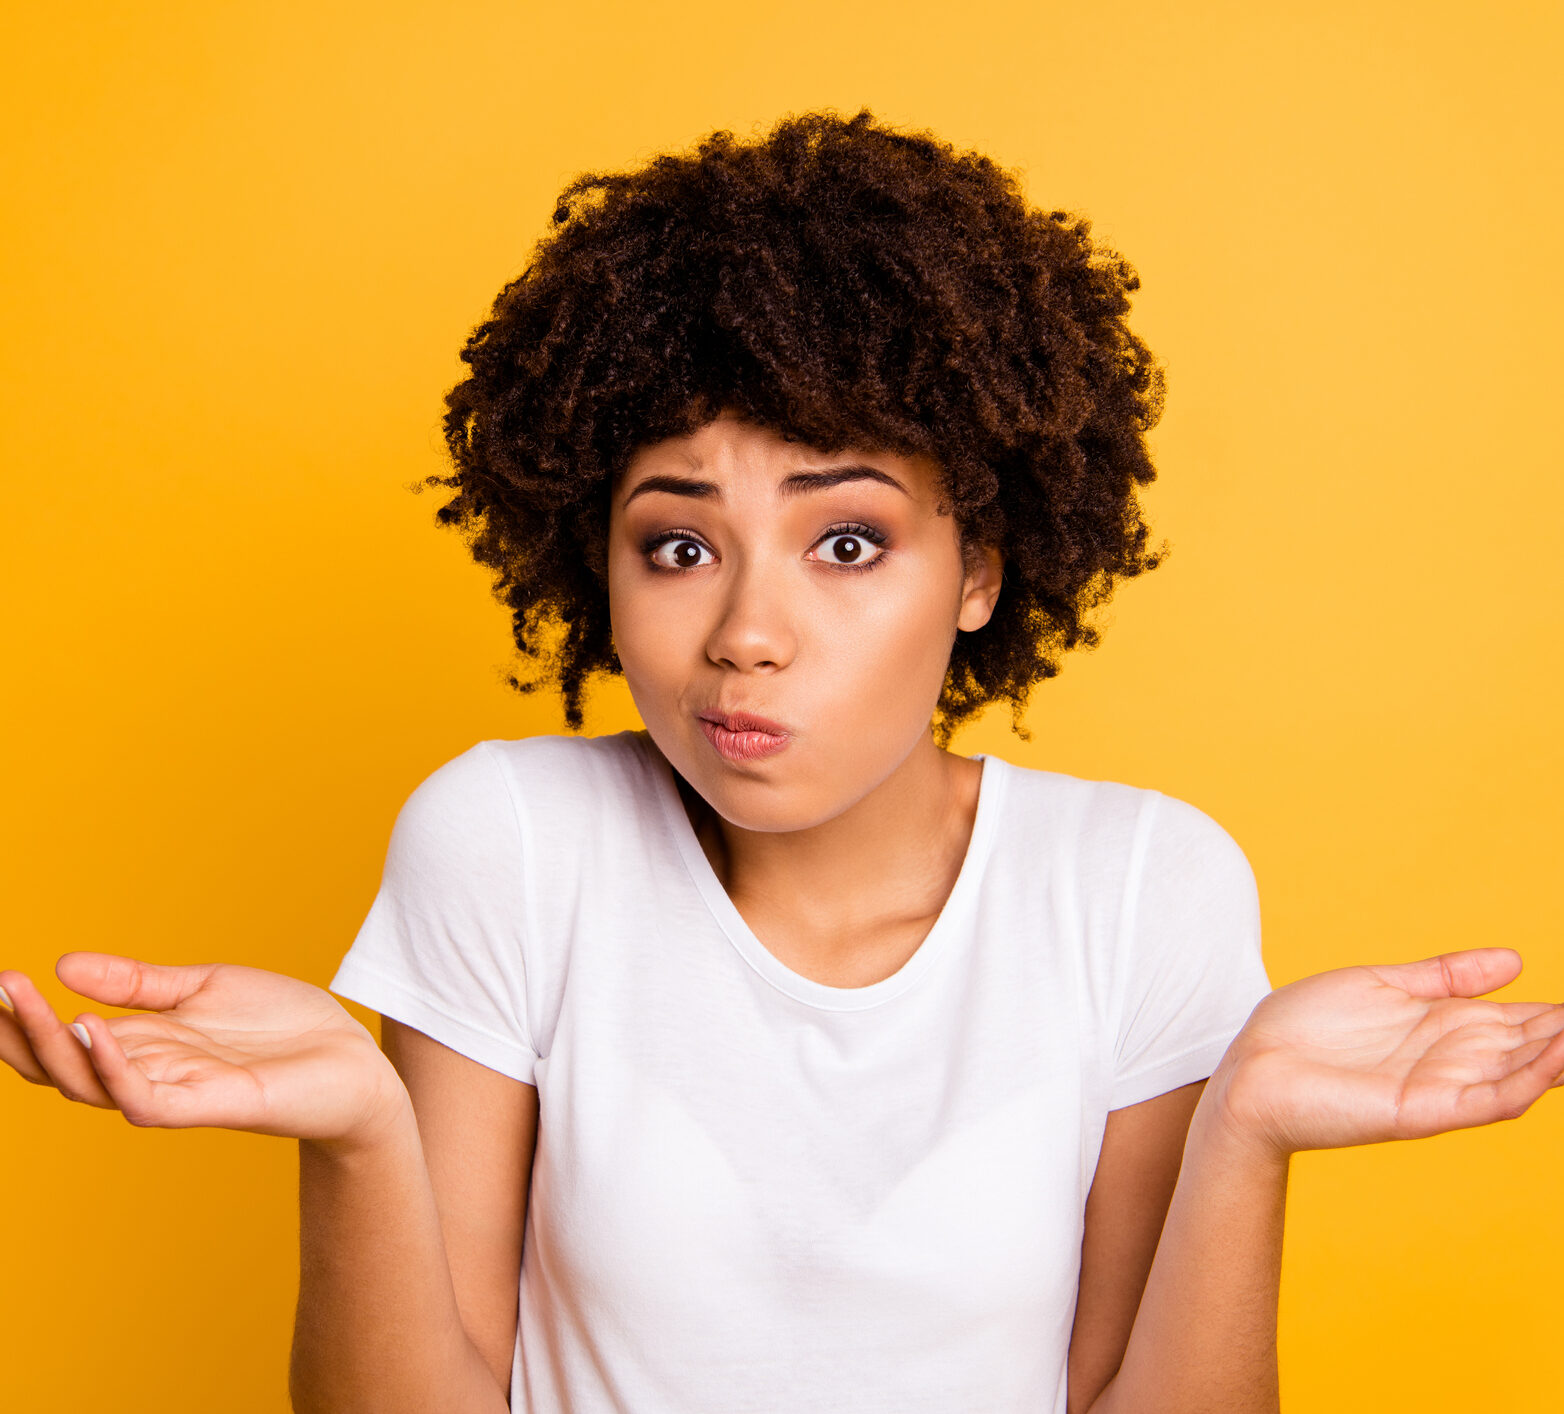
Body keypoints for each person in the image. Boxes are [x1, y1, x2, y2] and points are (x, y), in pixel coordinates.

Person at [2, 110, 1561, 1414]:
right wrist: (358, 1132)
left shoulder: (1140, 885)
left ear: (979, 569)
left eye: (847, 540)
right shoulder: (513, 841)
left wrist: (1252, 1131)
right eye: (679, 542)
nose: (747, 631)